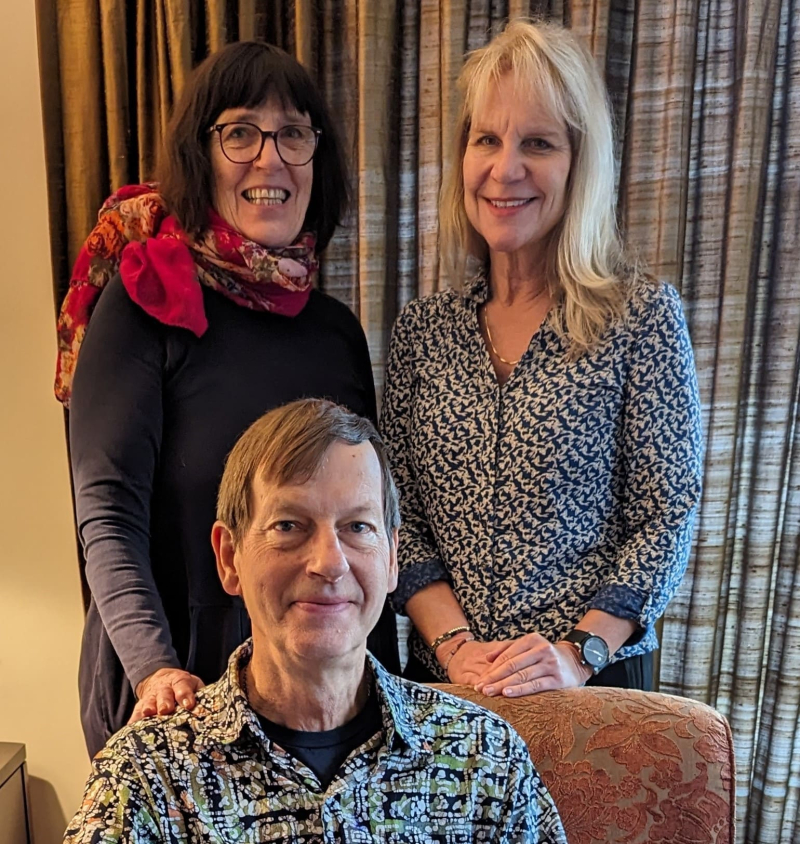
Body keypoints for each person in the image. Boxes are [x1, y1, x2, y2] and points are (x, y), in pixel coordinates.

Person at [56, 41, 398, 758]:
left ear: (317, 158)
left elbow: (362, 515)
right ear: (200, 156)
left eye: (293, 134)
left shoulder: (335, 332)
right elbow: (107, 512)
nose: (269, 159)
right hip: (174, 672)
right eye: (240, 132)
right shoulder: (144, 304)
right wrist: (154, 668)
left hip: (317, 684)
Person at [63, 399, 567, 844]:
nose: (329, 562)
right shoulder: (147, 778)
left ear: (392, 558)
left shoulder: (484, 755)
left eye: (357, 527)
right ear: (230, 558)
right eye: (289, 525)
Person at [380, 19, 703, 695]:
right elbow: (397, 514)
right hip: (447, 692)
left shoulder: (640, 318)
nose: (507, 169)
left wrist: (576, 652)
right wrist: (458, 650)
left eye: (539, 143)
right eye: (487, 140)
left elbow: (667, 514)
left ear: (579, 163)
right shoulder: (422, 331)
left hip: (591, 690)